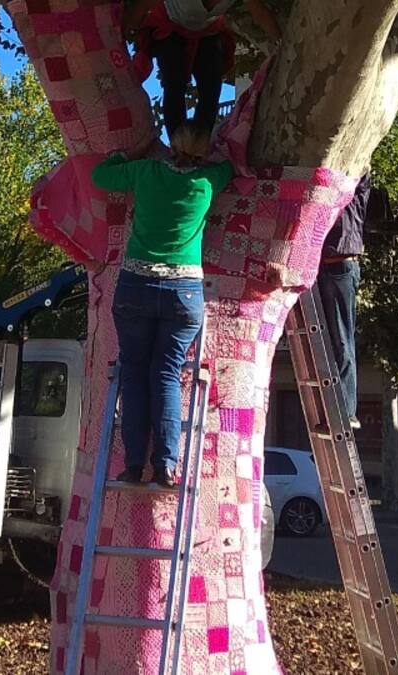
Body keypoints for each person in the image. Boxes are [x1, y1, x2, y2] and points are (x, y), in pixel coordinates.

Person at [91, 122, 233, 487]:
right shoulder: (208, 180)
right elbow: (229, 166)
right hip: (184, 293)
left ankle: (133, 466)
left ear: (170, 143)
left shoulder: (145, 171)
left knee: (134, 373)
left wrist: (135, 150)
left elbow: (100, 175)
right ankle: (166, 466)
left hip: (136, 286)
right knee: (167, 375)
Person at [124, 0, 282, 135]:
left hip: (208, 29)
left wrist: (281, 43)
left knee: (211, 86)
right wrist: (120, 35)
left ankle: (199, 145)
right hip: (170, 24)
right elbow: (143, 4)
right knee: (174, 83)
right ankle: (178, 147)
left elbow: (260, 13)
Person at [317, 172, 370, 430]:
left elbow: (359, 177)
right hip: (327, 264)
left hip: (340, 264)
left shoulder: (353, 182)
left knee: (341, 339)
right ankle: (334, 410)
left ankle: (346, 411)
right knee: (328, 342)